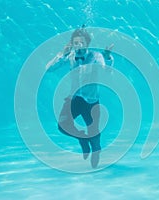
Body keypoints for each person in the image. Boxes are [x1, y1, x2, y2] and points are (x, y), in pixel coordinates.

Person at [45, 26, 114, 168]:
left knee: (94, 136)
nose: (79, 46)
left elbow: (106, 71)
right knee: (62, 127)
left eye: (82, 43)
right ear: (72, 44)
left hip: (91, 102)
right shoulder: (70, 56)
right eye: (76, 43)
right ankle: (82, 138)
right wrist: (62, 53)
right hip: (75, 98)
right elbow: (49, 69)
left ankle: (96, 150)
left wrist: (107, 57)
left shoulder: (96, 56)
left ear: (87, 43)